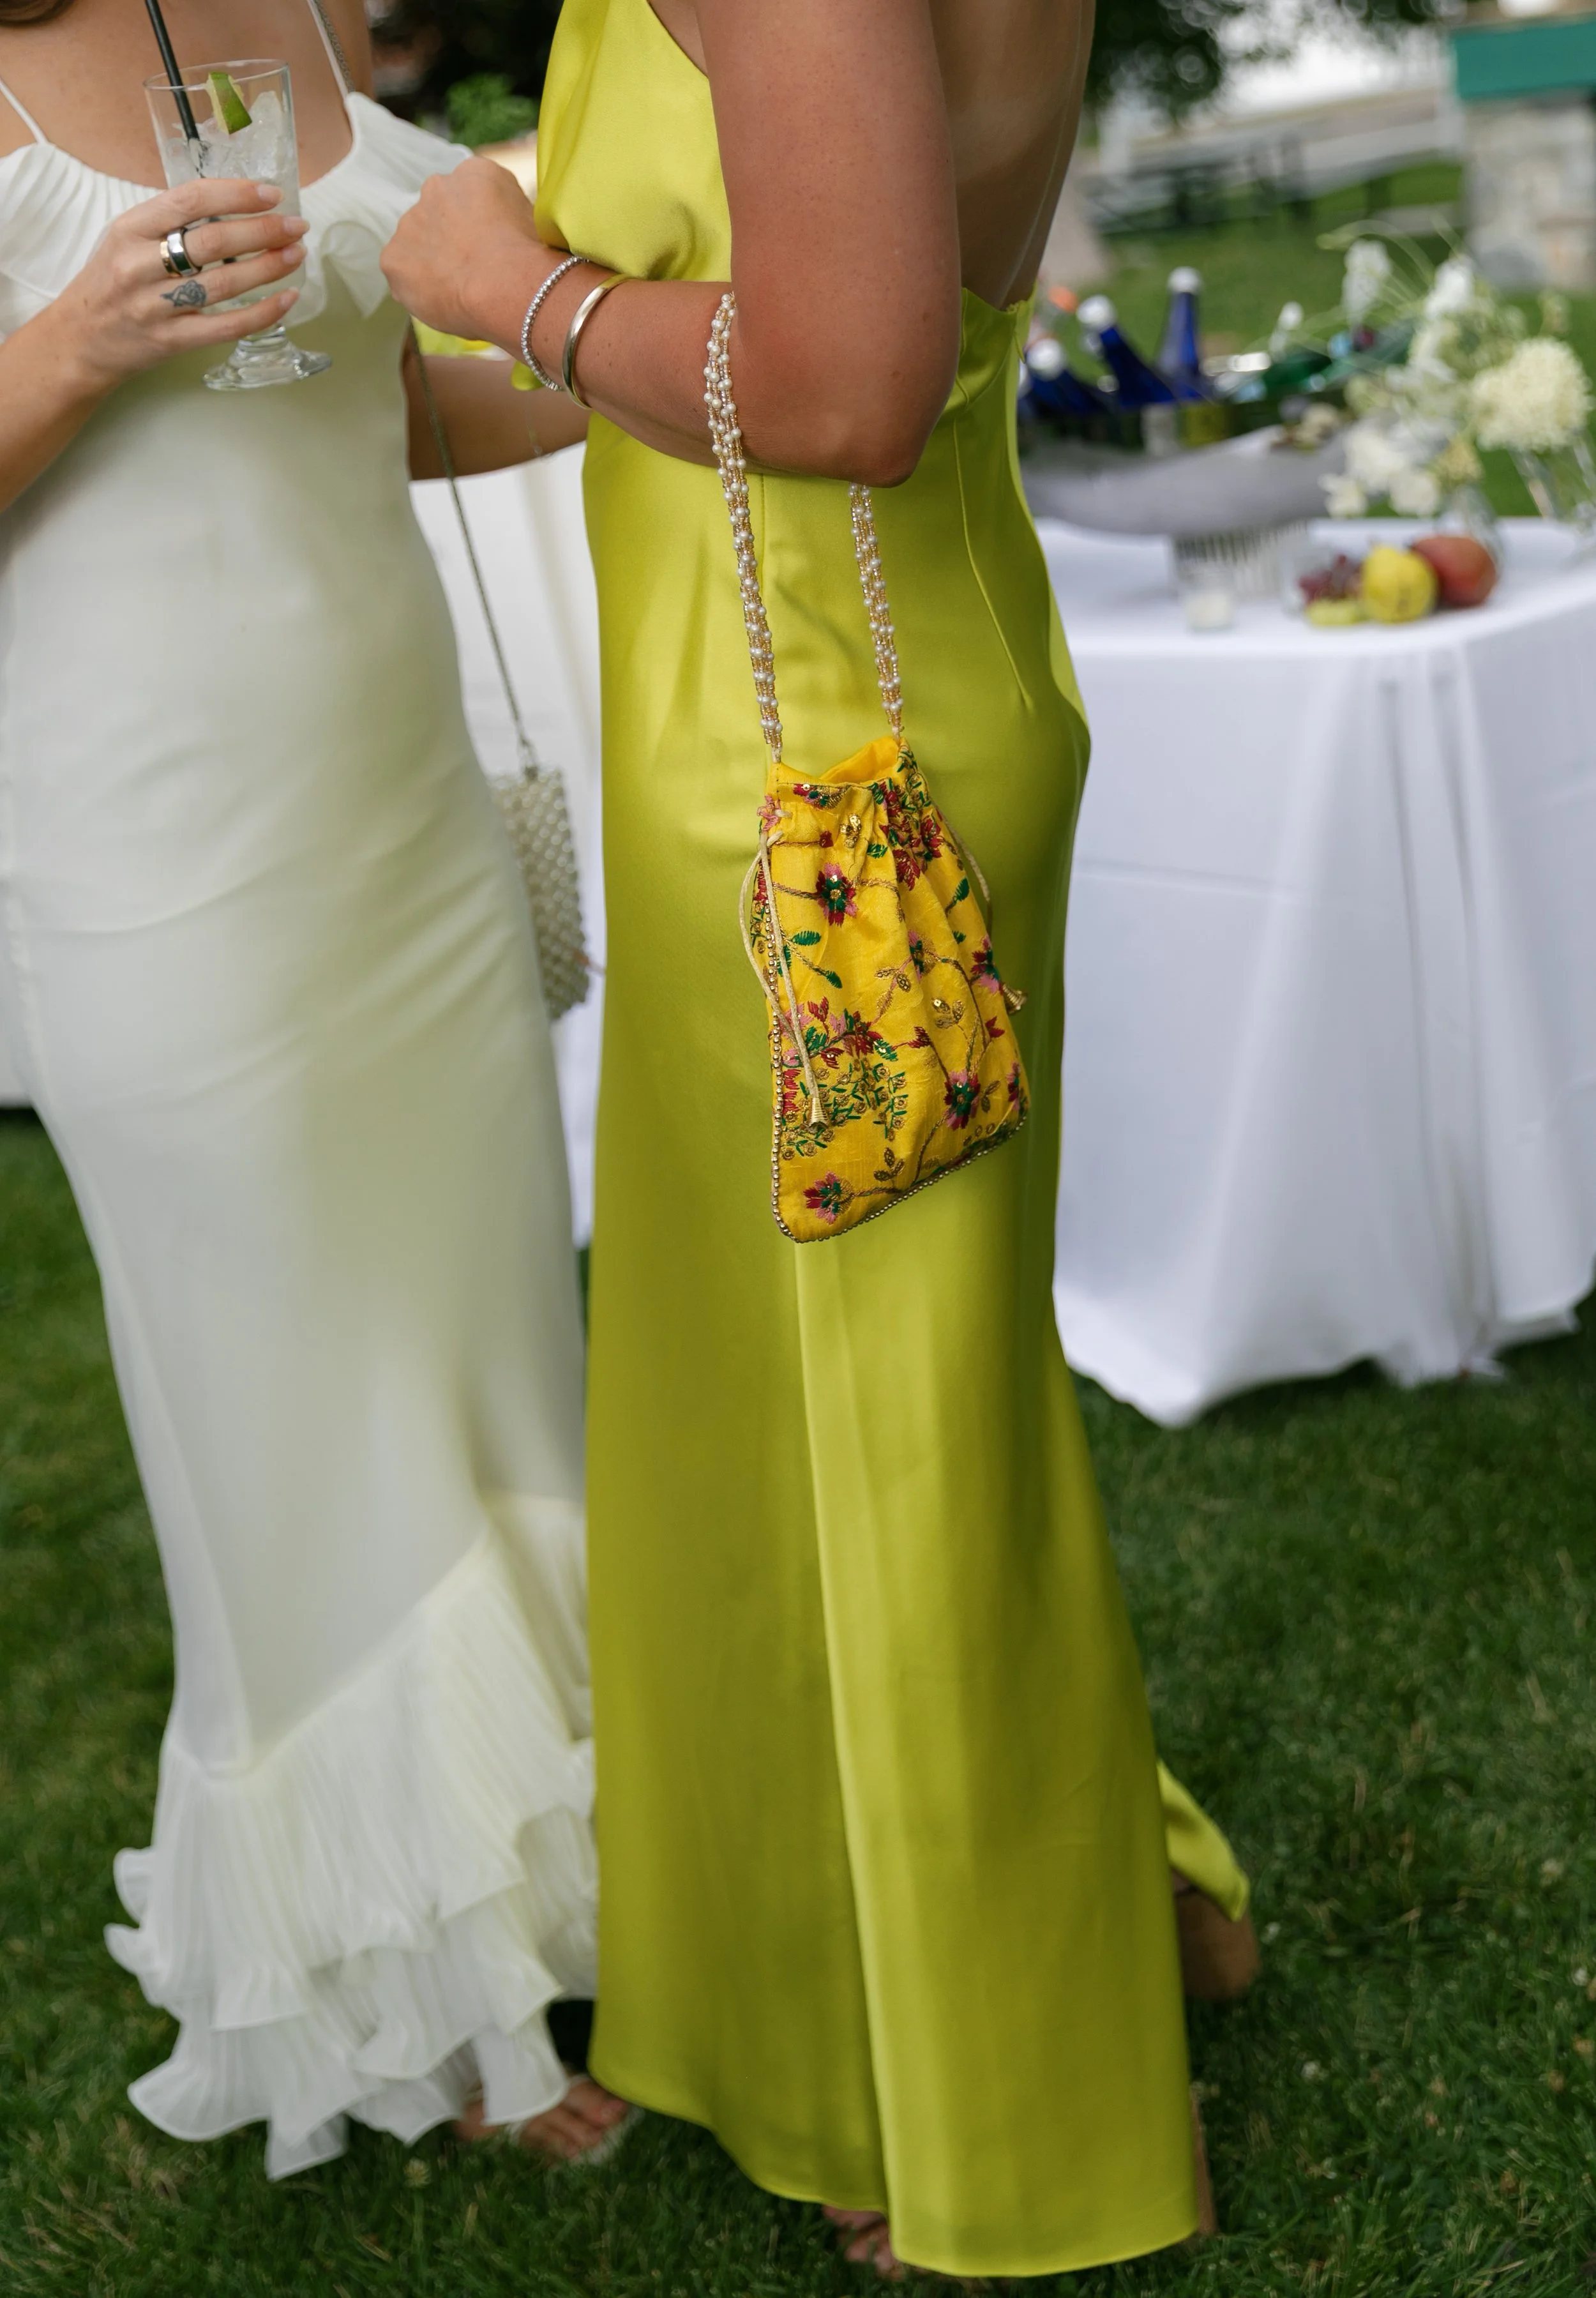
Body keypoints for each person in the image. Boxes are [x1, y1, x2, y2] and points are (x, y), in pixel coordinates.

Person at [384, 0, 1258, 2276]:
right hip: (865, 708)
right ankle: (1103, 1901)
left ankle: (997, 2102)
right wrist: (434, 364)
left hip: (809, 792)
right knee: (862, 1425)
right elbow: (774, 329)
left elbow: (844, 384)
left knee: (879, 1452)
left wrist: (510, 283)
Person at [0, 0, 627, 2176]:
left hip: (406, 830)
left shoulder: (296, 13)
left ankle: (552, 1897)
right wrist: (80, 339)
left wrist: (616, 377)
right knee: (301, 1422)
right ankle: (426, 2020)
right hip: (164, 875)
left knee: (483, 1367)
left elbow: (356, 399)